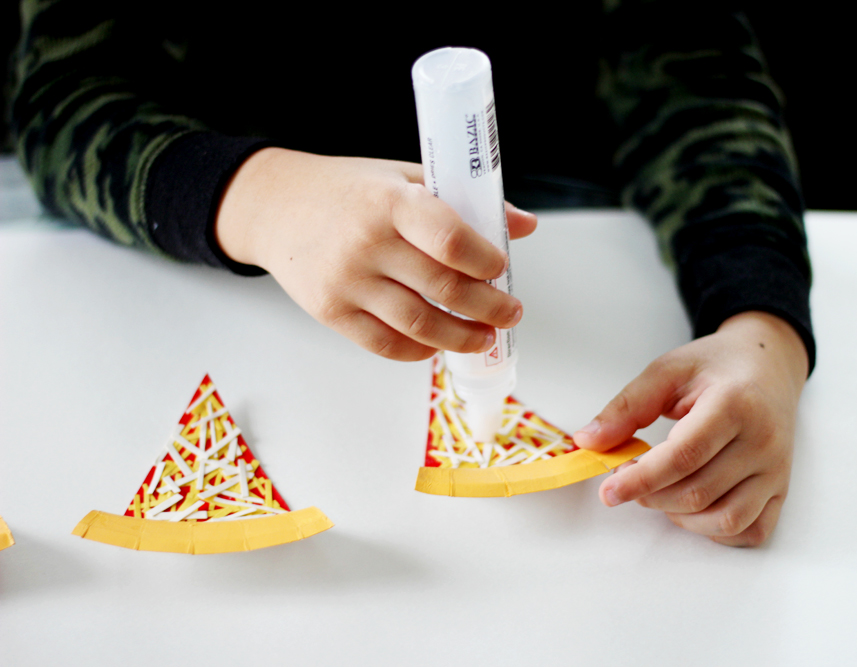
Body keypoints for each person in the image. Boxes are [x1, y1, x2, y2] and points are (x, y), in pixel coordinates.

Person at [12, 1, 814, 547]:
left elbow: (697, 83)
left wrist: (759, 324)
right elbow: (64, 100)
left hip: (565, 214)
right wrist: (257, 196)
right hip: (194, 232)